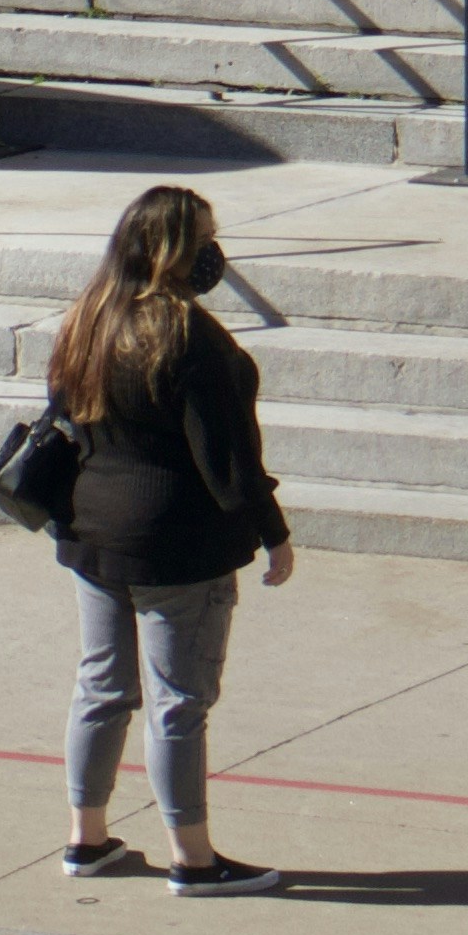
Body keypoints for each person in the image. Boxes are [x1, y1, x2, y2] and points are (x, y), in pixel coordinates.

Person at [44, 185, 291, 896]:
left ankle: (85, 839)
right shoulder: (192, 340)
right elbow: (231, 463)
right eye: (207, 239)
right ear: (179, 253)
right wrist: (274, 535)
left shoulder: (88, 319)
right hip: (177, 547)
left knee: (101, 687)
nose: (217, 252)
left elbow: (65, 419)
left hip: (92, 535)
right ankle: (193, 856)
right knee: (178, 702)